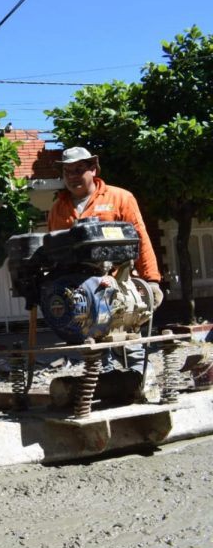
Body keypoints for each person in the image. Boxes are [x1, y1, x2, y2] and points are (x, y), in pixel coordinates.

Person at [48, 146, 163, 377]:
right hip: (81, 295)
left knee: (128, 342)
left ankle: (142, 384)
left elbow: (140, 238)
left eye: (78, 169)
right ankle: (109, 387)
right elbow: (54, 254)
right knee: (96, 354)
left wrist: (151, 280)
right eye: (67, 171)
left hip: (117, 287)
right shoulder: (57, 209)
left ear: (93, 169)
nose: (72, 176)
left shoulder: (119, 198)